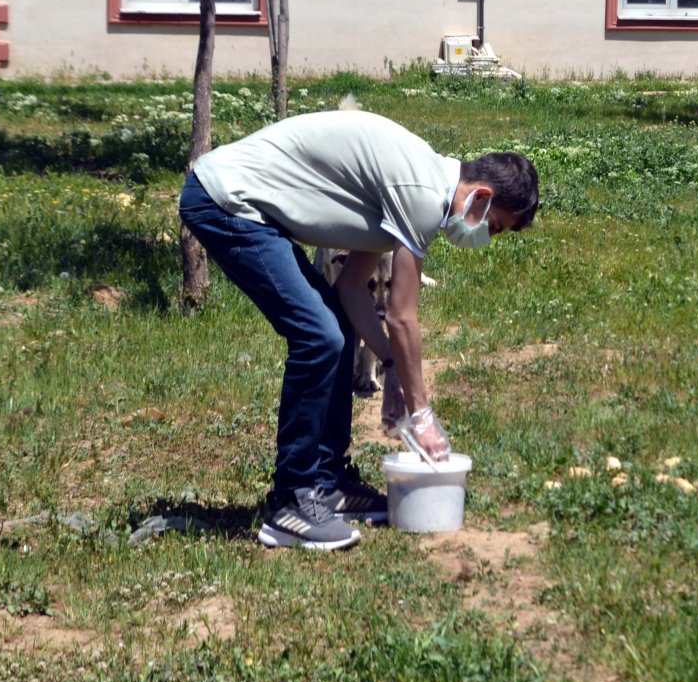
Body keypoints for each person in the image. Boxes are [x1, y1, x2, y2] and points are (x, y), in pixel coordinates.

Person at [178, 106, 539, 550]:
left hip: (244, 204)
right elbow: (403, 316)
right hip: (225, 200)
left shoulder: (420, 181)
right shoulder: (423, 194)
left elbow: (351, 290)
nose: (486, 236)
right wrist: (421, 416)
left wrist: (389, 367)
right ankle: (290, 501)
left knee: (337, 323)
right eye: (495, 226)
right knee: (318, 335)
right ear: (480, 196)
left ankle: (327, 482)